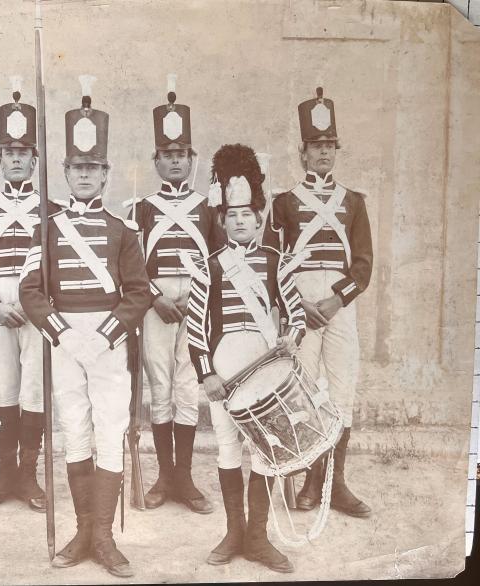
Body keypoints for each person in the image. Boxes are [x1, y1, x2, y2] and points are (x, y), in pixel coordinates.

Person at [19, 76, 151, 578]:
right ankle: (82, 529)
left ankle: (104, 535)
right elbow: (32, 289)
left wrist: (104, 336)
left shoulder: (123, 231)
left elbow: (138, 292)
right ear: (65, 171)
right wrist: (62, 332)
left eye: (94, 167)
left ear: (106, 172)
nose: (85, 175)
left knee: (110, 429)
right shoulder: (47, 229)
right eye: (76, 167)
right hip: (64, 340)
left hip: (108, 343)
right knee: (75, 429)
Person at [186, 143, 306, 574]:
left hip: (266, 370)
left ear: (259, 220)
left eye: (247, 216)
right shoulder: (209, 266)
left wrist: (292, 341)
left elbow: (296, 317)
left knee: (266, 449)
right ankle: (233, 531)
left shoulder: (277, 263)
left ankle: (257, 536)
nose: (239, 222)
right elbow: (196, 328)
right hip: (225, 372)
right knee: (227, 447)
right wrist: (206, 376)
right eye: (232, 216)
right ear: (223, 221)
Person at [263, 87, 373, 518]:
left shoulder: (354, 202)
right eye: (316, 147)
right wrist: (298, 304)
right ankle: (309, 477)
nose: (323, 153)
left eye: (329, 146)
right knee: (302, 392)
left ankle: (335, 483)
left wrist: (333, 302)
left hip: (340, 306)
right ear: (302, 153)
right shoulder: (284, 203)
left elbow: (362, 267)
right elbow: (273, 265)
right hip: (299, 306)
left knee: (341, 390)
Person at [0, 79, 62, 513]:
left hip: (36, 311)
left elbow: (59, 267)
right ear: (0, 159)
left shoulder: (52, 211)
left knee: (34, 392)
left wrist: (34, 304)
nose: (17, 159)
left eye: (24, 153)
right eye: (9, 153)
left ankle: (29, 473)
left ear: (35, 159)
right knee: (5, 389)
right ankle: (5, 473)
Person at [129, 75, 223, 514]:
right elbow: (129, 265)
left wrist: (196, 299)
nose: (174, 162)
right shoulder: (140, 209)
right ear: (156, 160)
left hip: (197, 306)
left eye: (181, 154)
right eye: (167, 155)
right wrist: (154, 297)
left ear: (192, 158)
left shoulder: (208, 209)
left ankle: (184, 478)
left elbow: (220, 262)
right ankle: (164, 477)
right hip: (156, 306)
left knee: (189, 386)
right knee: (160, 386)